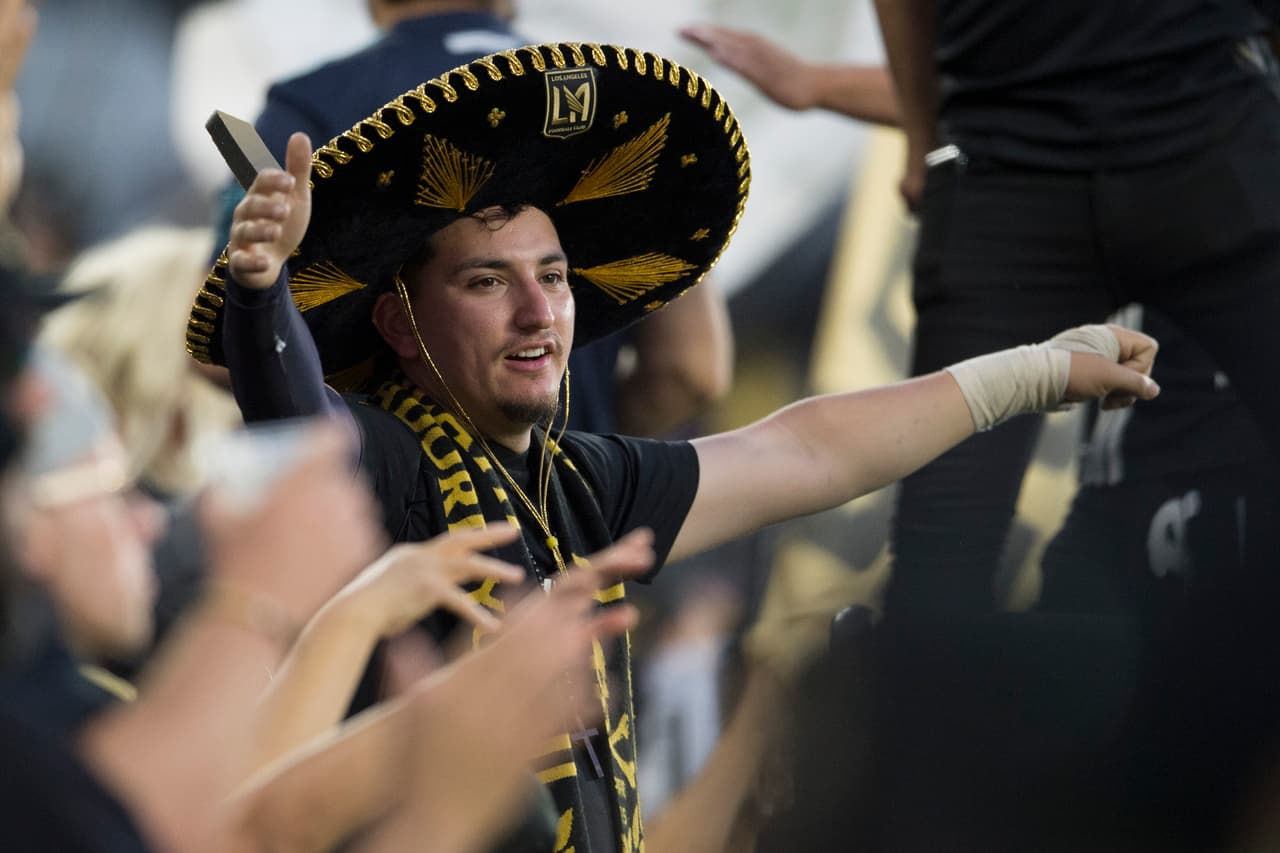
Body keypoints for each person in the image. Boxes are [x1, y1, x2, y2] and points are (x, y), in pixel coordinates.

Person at [192, 42, 1159, 851]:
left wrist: (1028, 374)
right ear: (401, 326)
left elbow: (806, 453)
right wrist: (262, 291)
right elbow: (299, 421)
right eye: (488, 282)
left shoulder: (580, 480)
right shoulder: (385, 457)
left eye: (554, 277)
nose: (538, 313)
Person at [213, 0, 732, 437]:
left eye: (553, 278)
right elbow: (691, 369)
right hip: (575, 513)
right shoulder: (618, 103)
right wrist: (585, 456)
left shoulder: (308, 107)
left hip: (394, 515)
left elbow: (222, 348)